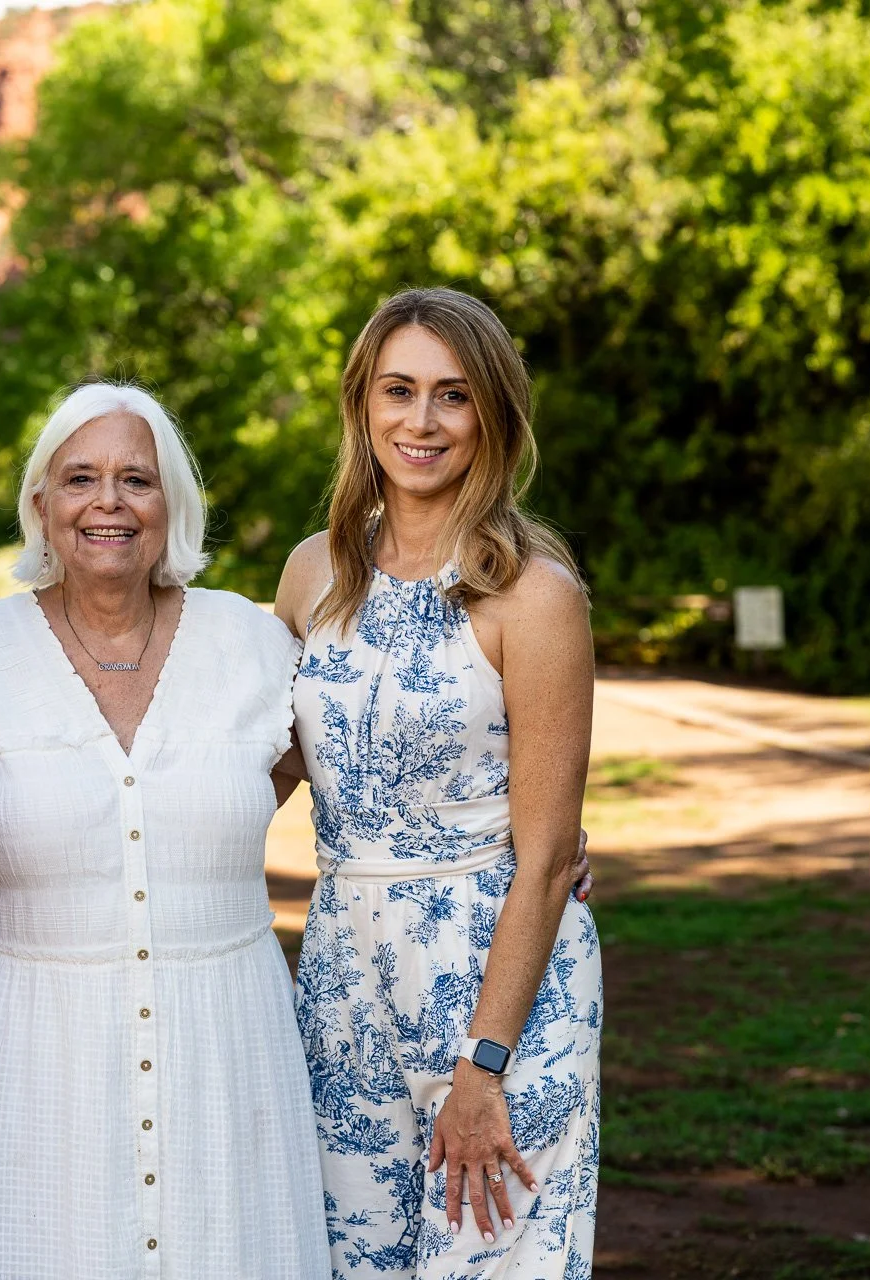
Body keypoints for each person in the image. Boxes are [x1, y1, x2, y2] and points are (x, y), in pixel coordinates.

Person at [0, 383, 333, 1278]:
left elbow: (355, 775)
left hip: (227, 1052)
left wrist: (530, 838)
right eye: (79, 479)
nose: (108, 501)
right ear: (40, 504)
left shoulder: (254, 646)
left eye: (136, 480)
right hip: (31, 1061)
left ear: (174, 504)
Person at [277, 288, 602, 1278]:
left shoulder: (532, 591)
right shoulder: (309, 575)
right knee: (347, 1260)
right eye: (398, 390)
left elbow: (545, 857)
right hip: (340, 978)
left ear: (491, 415)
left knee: (488, 1260)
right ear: (361, 404)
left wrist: (483, 1061)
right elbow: (254, 775)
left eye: (451, 395)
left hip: (496, 984)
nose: (419, 422)